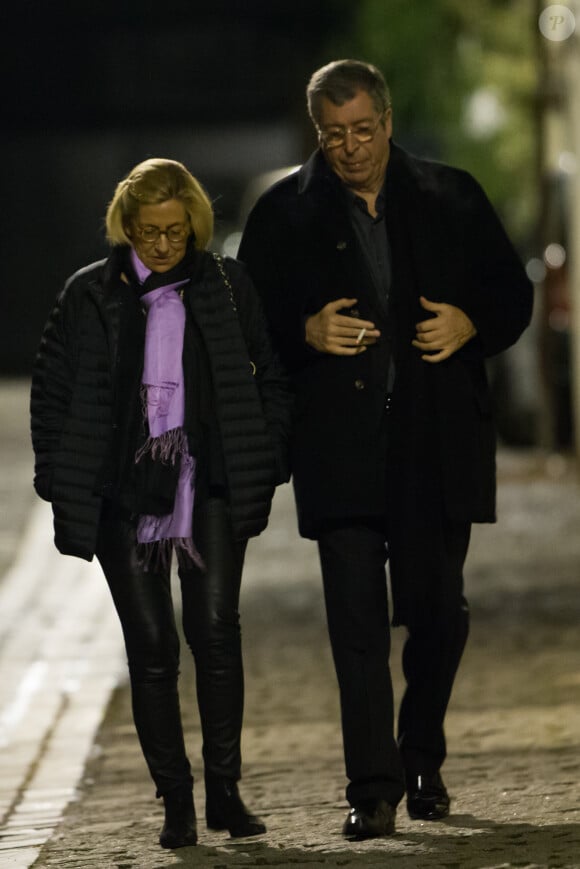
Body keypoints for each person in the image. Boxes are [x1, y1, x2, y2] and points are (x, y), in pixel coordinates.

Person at [238, 59, 533, 840]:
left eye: (364, 129)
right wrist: (303, 332)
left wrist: (470, 323)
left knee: (438, 613)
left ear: (389, 121)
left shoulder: (451, 196)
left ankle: (420, 752)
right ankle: (373, 787)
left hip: (436, 443)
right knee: (357, 623)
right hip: (340, 448)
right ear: (318, 133)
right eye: (335, 135)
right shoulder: (283, 215)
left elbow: (513, 294)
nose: (352, 147)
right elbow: (241, 329)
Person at [30, 158, 292, 849]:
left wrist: (266, 453)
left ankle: (226, 791)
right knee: (150, 646)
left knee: (215, 628)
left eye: (176, 230)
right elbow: (52, 390)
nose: (164, 244)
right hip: (124, 492)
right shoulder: (89, 294)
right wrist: (61, 473)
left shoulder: (227, 287)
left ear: (195, 224)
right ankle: (176, 800)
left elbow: (269, 374)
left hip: (208, 481)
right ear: (127, 226)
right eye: (149, 231)